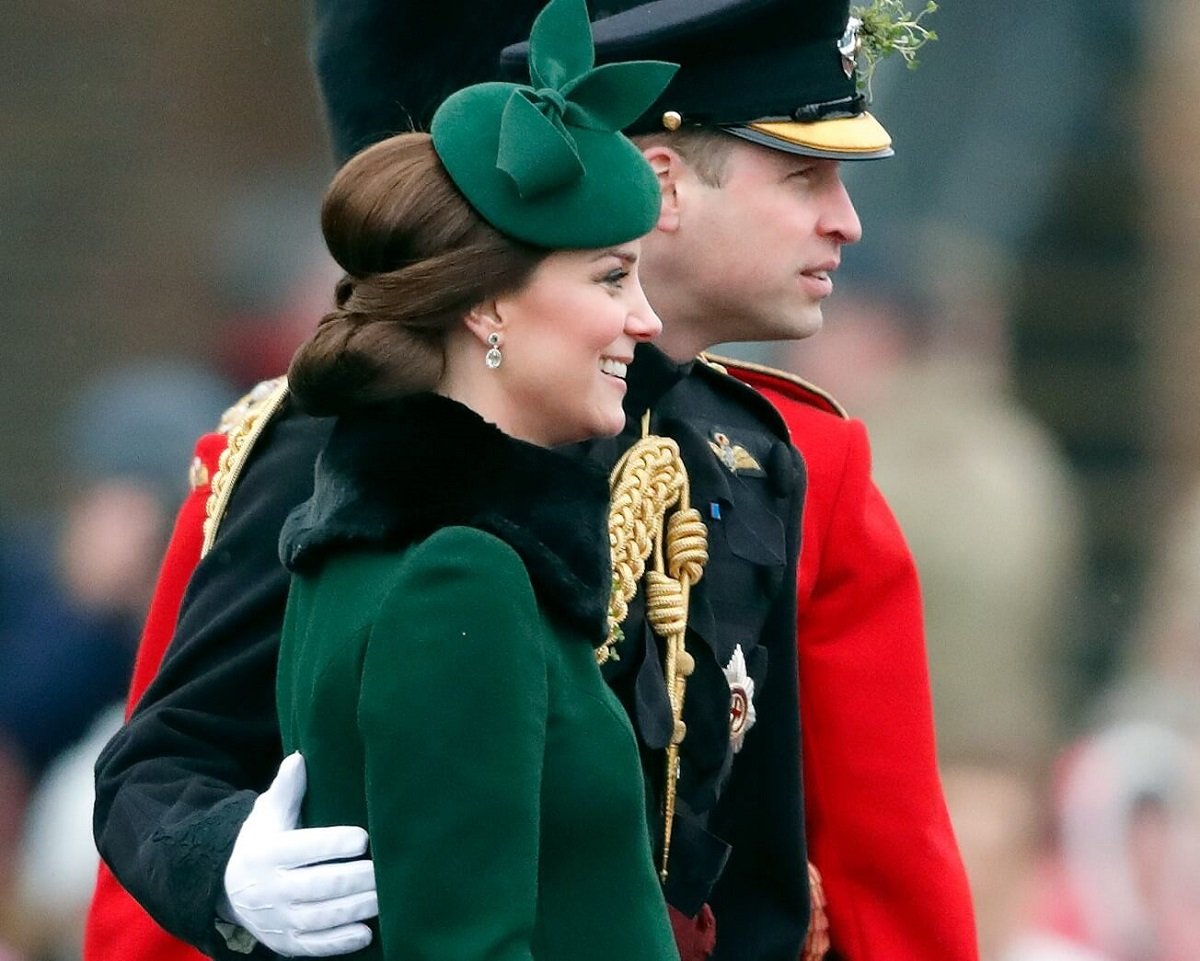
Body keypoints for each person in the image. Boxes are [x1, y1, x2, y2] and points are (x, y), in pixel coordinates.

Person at [92, 1, 977, 959]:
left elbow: (847, 867)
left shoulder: (767, 453)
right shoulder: (354, 440)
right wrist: (226, 867)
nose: (846, 223)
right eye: (803, 174)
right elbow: (172, 757)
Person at [271, 3, 679, 958]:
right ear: (490, 303)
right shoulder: (464, 573)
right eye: (611, 279)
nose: (645, 320)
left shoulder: (375, 540)